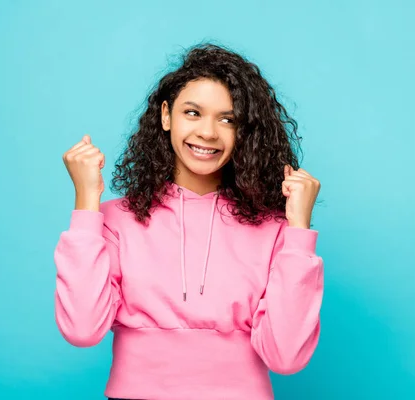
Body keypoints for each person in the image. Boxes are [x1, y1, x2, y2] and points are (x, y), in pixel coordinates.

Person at [53, 43, 324, 400]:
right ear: (166, 116)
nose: (208, 133)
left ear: (243, 131)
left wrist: (298, 231)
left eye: (227, 119)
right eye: (193, 113)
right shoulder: (116, 219)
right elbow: (82, 330)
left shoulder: (274, 228)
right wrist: (87, 202)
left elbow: (286, 358)